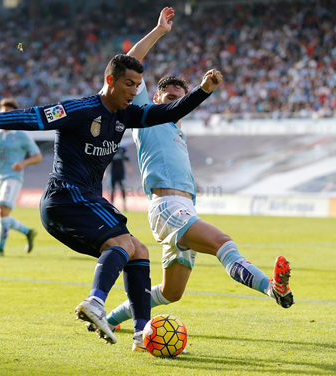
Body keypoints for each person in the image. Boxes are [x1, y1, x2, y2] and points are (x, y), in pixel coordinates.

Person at [0, 52, 223, 349]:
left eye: (137, 85)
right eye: (128, 84)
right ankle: (95, 302)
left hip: (84, 200)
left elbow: (166, 112)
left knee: (138, 251)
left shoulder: (125, 115)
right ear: (110, 80)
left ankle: (142, 333)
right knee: (122, 245)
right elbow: (30, 117)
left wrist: (203, 91)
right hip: (65, 197)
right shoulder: (78, 109)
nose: (132, 91)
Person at [105, 8, 294, 334]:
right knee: (224, 243)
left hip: (184, 208)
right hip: (167, 207)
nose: (176, 102)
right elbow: (129, 60)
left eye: (181, 98)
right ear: (155, 98)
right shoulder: (147, 118)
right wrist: (159, 32)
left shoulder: (178, 132)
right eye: (170, 96)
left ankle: (110, 320)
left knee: (170, 293)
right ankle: (271, 288)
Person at [0, 98, 43, 257]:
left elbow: (37, 156)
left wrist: (23, 163)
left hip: (13, 177)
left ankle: (0, 250)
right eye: (3, 114)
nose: (5, 117)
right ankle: (28, 232)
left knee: (3, 210)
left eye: (9, 114)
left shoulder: (22, 134)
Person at [108, 145, 133, 211]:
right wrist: (105, 172)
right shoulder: (111, 149)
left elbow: (127, 160)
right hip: (113, 173)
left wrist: (129, 169)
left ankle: (124, 205)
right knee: (112, 189)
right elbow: (107, 162)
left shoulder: (122, 149)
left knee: (122, 188)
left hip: (121, 173)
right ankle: (112, 205)